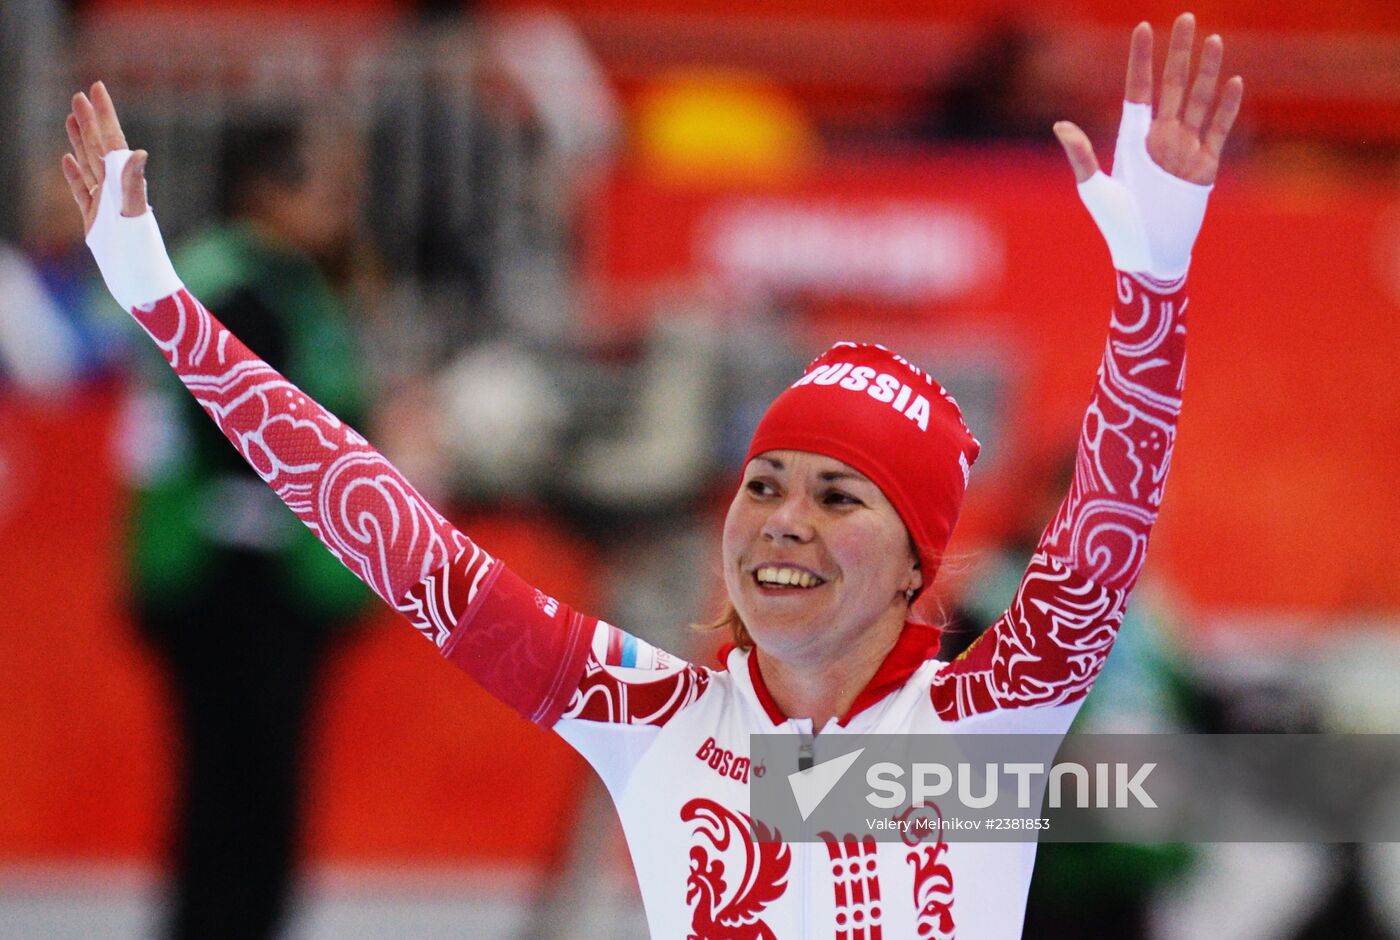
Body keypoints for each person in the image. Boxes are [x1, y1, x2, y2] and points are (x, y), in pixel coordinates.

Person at [62, 12, 1241, 937]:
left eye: (839, 496)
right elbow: (399, 540)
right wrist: (174, 316)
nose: (783, 521)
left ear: (914, 561)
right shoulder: (654, 718)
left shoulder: (983, 722)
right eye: (764, 482)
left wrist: (1154, 291)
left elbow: (1106, 521)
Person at [117, 116, 375, 940]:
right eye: (324, 188)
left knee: (246, 793)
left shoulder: (279, 280)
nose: (342, 208)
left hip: (249, 572)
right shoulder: (237, 284)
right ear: (265, 188)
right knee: (240, 794)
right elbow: (253, 433)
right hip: (232, 575)